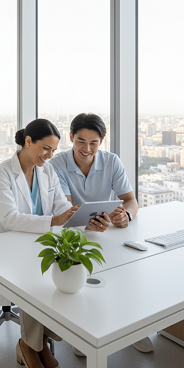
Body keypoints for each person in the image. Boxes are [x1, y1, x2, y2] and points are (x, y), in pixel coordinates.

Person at [49, 113, 153, 355]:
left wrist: (125, 216)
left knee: (126, 273)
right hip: (72, 232)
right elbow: (65, 208)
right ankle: (84, 333)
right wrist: (87, 225)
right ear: (71, 137)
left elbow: (130, 201)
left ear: (102, 141)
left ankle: (133, 327)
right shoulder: (58, 165)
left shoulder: (111, 161)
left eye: (93, 143)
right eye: (81, 141)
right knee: (83, 281)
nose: (87, 148)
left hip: (105, 231)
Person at [0, 118, 78, 368]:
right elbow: (9, 218)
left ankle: (38, 343)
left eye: (54, 151)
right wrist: (53, 220)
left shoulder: (47, 171)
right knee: (35, 281)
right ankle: (32, 346)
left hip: (38, 244)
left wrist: (74, 214)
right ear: (28, 142)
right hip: (5, 247)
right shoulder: (1, 173)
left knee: (64, 272)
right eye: (45, 148)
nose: (49, 156)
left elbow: (60, 205)